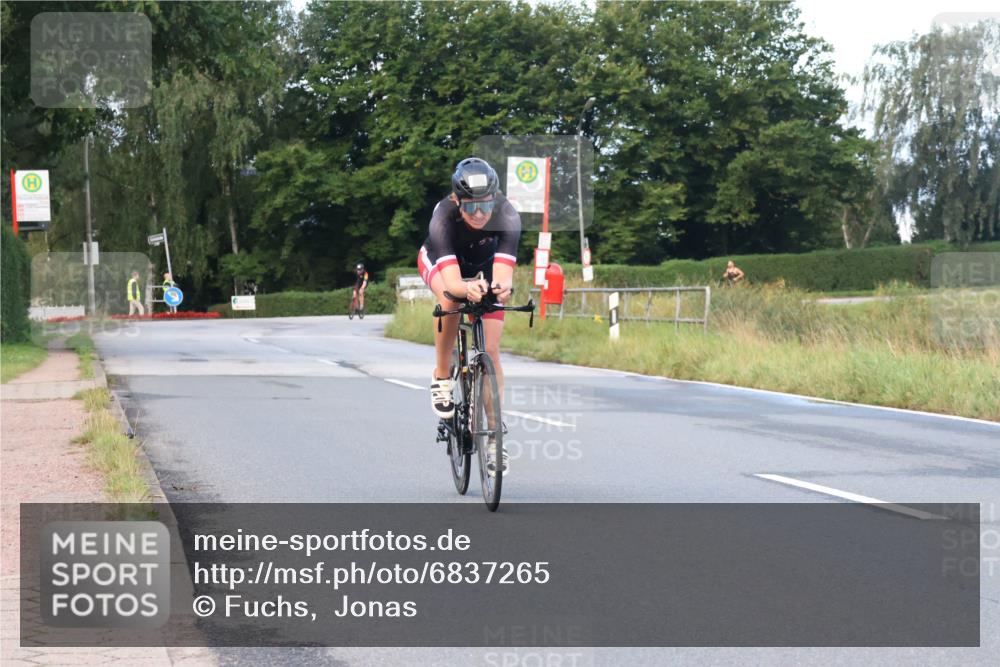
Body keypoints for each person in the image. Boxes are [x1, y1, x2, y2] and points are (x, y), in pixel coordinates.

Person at [417, 157, 521, 475]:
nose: (479, 213)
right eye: (471, 206)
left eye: (485, 204)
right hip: (442, 263)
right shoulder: (443, 217)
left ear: (495, 198)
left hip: (483, 267)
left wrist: (500, 289)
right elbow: (452, 284)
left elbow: (503, 276)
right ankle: (441, 376)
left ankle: (495, 439)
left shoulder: (508, 215)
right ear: (457, 200)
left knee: (491, 349)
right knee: (450, 299)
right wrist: (466, 288)